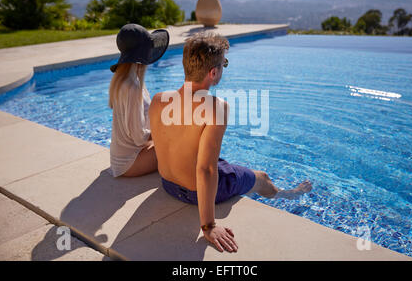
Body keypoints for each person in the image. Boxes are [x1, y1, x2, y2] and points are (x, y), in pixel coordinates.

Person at [149, 33, 312, 253]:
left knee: (215, 159)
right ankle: (286, 193)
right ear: (213, 72)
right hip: (194, 193)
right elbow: (205, 169)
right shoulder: (216, 107)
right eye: (223, 63)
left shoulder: (159, 100)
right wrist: (208, 226)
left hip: (168, 185)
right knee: (261, 177)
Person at [109, 23, 169, 178]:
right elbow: (138, 137)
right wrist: (165, 132)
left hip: (120, 159)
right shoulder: (133, 87)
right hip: (130, 162)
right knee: (180, 145)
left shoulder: (121, 79)